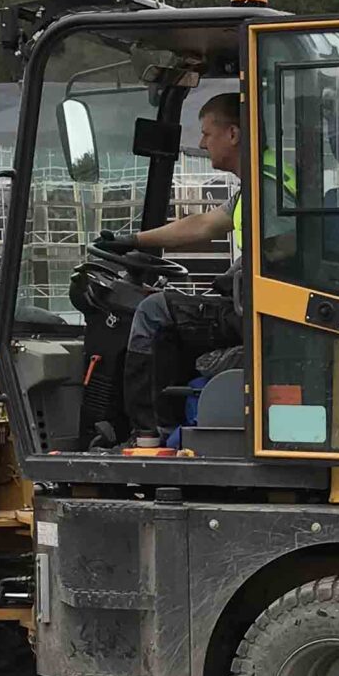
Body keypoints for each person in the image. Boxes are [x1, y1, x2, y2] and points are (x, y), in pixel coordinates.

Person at [98, 91, 250, 440]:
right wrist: (133, 241)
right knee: (173, 305)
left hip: (257, 307)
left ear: (233, 134)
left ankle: (150, 434)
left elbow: (277, 246)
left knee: (153, 311)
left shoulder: (266, 186)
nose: (201, 142)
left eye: (207, 132)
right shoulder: (258, 185)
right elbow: (201, 224)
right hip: (254, 302)